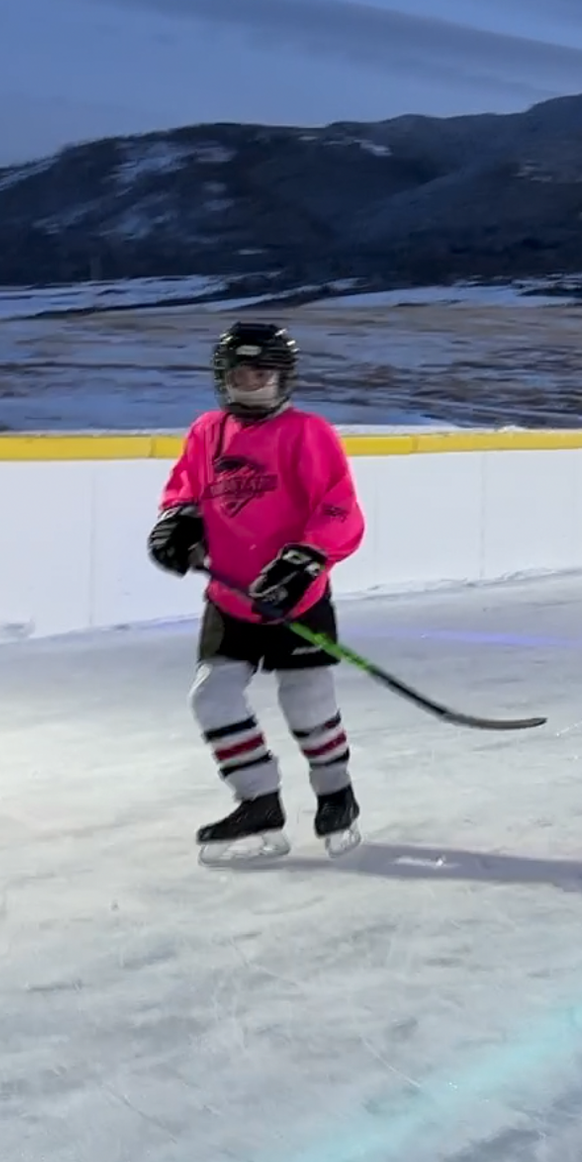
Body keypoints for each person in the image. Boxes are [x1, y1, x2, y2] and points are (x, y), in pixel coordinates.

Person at [145, 323, 368, 863]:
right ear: (223, 378)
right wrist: (178, 524)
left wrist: (305, 559)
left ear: (282, 378)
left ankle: (336, 794)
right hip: (231, 599)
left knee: (306, 701)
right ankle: (259, 803)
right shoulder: (207, 432)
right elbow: (185, 490)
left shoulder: (308, 433)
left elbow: (339, 507)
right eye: (241, 375)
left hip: (296, 597)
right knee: (211, 697)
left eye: (261, 375)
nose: (250, 384)